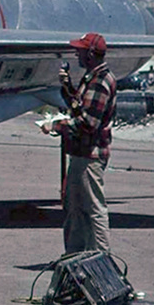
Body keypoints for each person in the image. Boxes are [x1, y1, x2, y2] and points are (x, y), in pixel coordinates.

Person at [41, 32, 118, 254]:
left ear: (92, 54)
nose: (77, 54)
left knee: (94, 209)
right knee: (74, 208)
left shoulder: (101, 82)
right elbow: (80, 108)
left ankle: (102, 259)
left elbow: (88, 123)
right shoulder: (92, 78)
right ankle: (75, 256)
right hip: (82, 153)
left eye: (81, 51)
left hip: (90, 156)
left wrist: (55, 126)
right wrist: (67, 88)